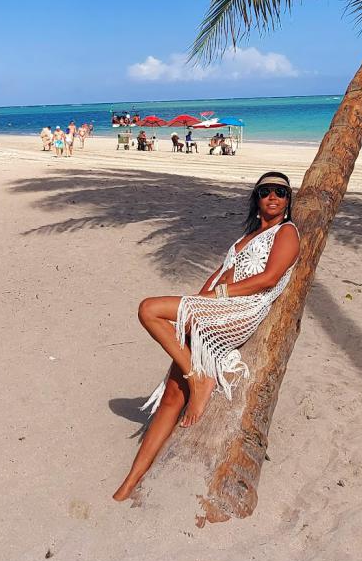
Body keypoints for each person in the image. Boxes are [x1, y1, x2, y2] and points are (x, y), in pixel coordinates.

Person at [115, 172, 301, 501]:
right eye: (266, 191)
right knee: (173, 396)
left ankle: (199, 378)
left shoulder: (286, 232)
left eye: (281, 192)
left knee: (148, 309)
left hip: (240, 310)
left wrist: (218, 297)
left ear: (288, 201)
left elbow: (269, 279)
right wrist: (196, 304)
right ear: (257, 199)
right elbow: (216, 276)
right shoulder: (245, 238)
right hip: (215, 308)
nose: (273, 196)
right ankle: (131, 482)